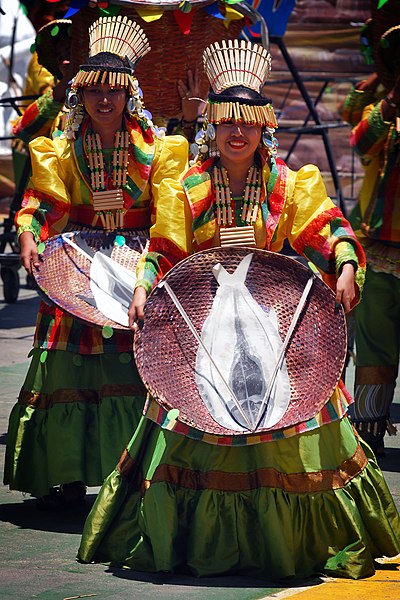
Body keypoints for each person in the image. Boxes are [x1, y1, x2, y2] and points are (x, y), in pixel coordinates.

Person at [77, 40, 400, 579]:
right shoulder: (187, 190)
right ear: (212, 129)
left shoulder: (288, 185)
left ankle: (288, 537)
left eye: (248, 125)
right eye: (228, 123)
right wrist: (142, 287)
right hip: (204, 334)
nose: (237, 134)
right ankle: (205, 537)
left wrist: (344, 262)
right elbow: (163, 250)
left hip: (275, 329)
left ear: (263, 130)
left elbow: (328, 227)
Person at [3, 15, 188, 509]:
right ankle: (65, 474)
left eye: (113, 92)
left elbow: (168, 215)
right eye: (94, 92)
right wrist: (28, 232)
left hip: (135, 270)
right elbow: (44, 204)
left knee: (129, 371)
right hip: (76, 268)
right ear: (79, 96)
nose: (104, 101)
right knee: (66, 367)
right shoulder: (62, 149)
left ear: (130, 96)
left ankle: (126, 470)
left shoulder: (159, 151)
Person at [340, 23, 400, 457]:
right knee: (374, 344)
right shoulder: (384, 107)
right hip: (380, 248)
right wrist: (391, 92)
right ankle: (370, 429)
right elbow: (360, 141)